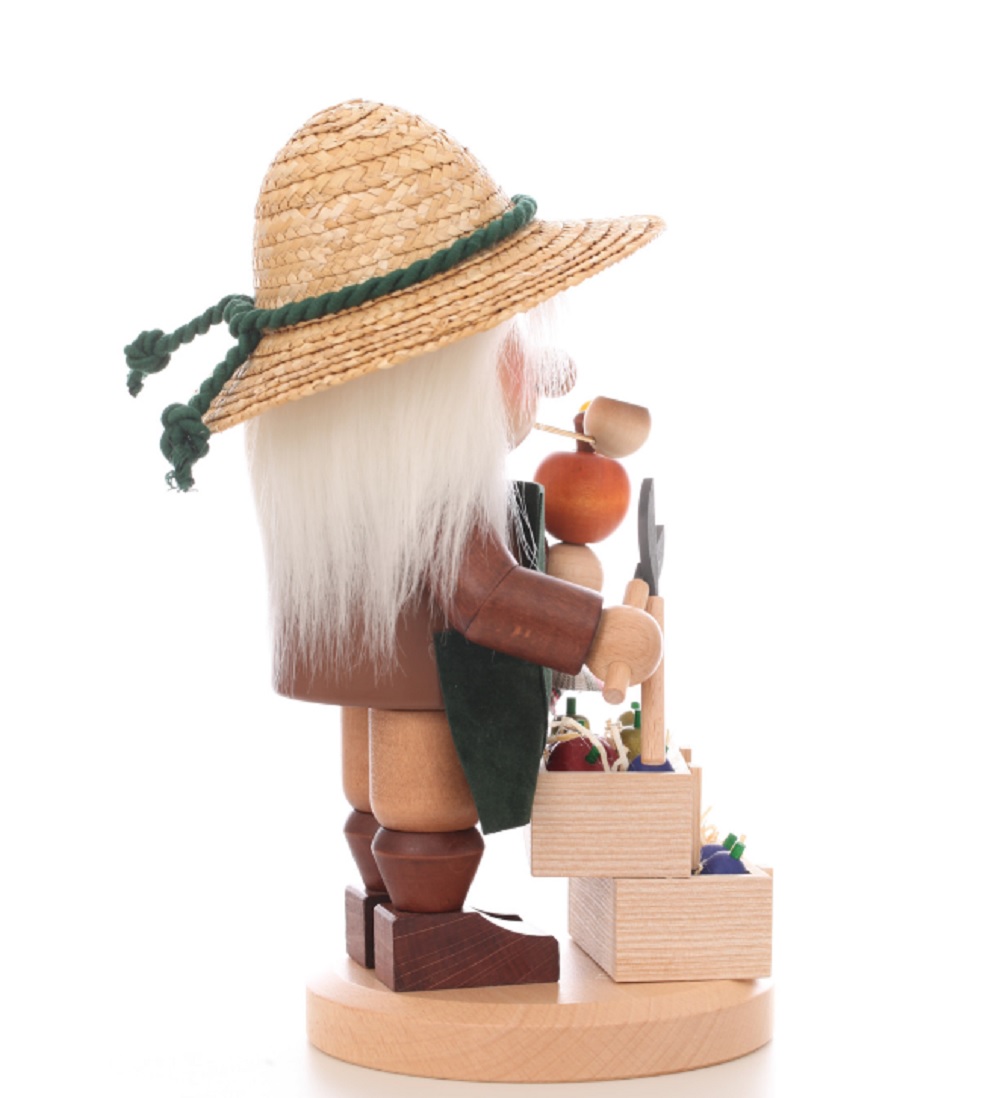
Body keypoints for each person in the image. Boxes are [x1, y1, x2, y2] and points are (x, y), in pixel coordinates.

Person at [125, 100, 664, 991]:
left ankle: (380, 907)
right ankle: (430, 933)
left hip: (360, 668)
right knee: (424, 795)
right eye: (507, 341)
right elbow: (484, 596)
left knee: (369, 783)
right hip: (421, 678)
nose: (535, 373)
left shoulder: (341, 487)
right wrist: (597, 630)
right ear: (442, 378)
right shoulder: (438, 498)